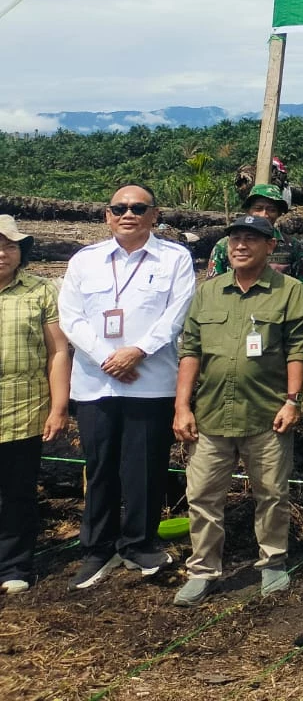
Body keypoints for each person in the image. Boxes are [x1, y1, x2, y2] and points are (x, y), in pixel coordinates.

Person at [58, 185, 195, 589]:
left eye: (138, 207)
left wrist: (137, 351)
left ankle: (139, 543)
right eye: (119, 208)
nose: (128, 214)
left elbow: (176, 313)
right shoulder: (85, 261)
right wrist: (108, 356)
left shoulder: (175, 258)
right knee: (100, 468)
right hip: (96, 383)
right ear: (107, 216)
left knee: (146, 467)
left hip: (150, 381)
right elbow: (71, 316)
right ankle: (97, 548)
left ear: (154, 214)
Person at [172, 214, 303, 605]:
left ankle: (273, 563)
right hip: (211, 413)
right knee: (202, 496)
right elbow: (190, 350)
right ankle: (203, 570)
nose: (241, 245)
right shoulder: (209, 292)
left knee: (271, 493)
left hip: (266, 413)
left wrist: (292, 400)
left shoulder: (289, 290)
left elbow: (297, 348)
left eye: (252, 239)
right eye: (235, 239)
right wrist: (182, 406)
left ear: (270, 246)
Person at [0, 216, 70, 593]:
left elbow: (58, 351)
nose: (1, 253)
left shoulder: (41, 291)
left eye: (10, 245)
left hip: (22, 409)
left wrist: (59, 407)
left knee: (18, 491)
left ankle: (13, 566)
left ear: (21, 251)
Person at [206, 184, 303, 286]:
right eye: (258, 208)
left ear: (279, 213)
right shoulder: (226, 245)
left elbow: (302, 288)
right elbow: (213, 288)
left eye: (271, 209)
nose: (264, 214)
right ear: (248, 211)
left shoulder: (292, 246)